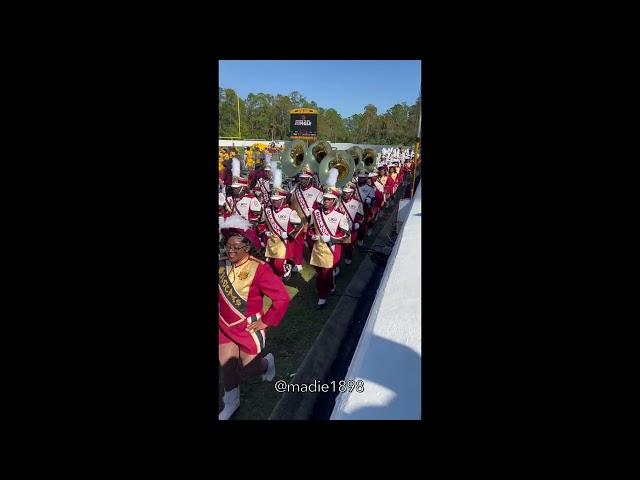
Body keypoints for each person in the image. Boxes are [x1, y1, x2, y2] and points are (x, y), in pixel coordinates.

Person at [218, 215, 291, 420]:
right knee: (227, 365)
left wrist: (266, 321)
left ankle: (268, 363)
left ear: (247, 248)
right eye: (227, 246)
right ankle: (232, 403)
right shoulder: (221, 265)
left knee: (250, 368)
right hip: (223, 325)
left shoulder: (260, 268)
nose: (230, 251)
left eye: (235, 247)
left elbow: (282, 298)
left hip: (248, 327)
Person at [307, 186, 350, 310]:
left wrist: (331, 238)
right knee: (319, 274)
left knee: (327, 274)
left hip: (332, 249)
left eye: (330, 200)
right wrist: (312, 235)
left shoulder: (340, 215)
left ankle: (330, 287)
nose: (326, 202)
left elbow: (345, 234)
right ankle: (322, 296)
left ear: (334, 201)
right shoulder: (315, 213)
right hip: (318, 248)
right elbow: (310, 228)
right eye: (325, 199)